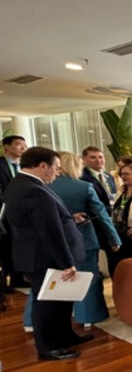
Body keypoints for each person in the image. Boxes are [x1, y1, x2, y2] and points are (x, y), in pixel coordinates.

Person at [3, 147, 91, 360]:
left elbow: (38, 220)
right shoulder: (34, 190)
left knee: (61, 300)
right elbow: (49, 231)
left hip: (34, 254)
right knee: (48, 304)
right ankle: (49, 347)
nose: (57, 173)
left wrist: (68, 218)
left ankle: (64, 336)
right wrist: (67, 262)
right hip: (45, 257)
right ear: (43, 166)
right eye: (56, 168)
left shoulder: (19, 184)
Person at [50, 152, 121, 325]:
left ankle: (33, 320)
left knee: (53, 279)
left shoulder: (46, 187)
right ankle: (89, 316)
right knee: (88, 277)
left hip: (54, 241)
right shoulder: (83, 187)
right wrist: (114, 239)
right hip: (84, 239)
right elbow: (102, 215)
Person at [0, 135, 29, 291]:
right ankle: (5, 283)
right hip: (4, 215)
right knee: (6, 248)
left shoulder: (24, 166)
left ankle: (19, 278)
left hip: (23, 215)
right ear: (7, 147)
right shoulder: (1, 165)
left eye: (24, 145)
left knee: (19, 247)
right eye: (18, 145)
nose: (23, 148)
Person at [108, 162, 132, 277]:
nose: (124, 177)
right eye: (122, 174)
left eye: (127, 174)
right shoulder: (120, 193)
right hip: (119, 234)